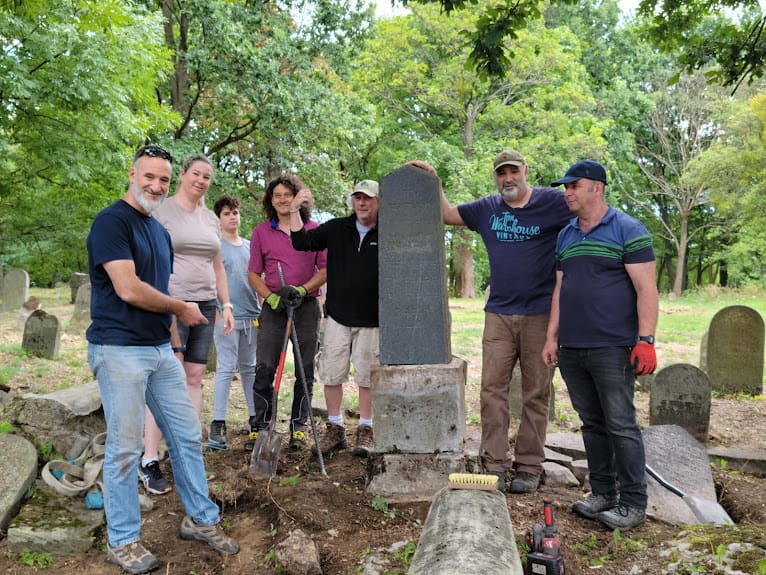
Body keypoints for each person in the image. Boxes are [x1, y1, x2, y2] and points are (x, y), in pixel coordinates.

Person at [86, 145, 239, 574]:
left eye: (163, 180)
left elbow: (160, 285)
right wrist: (179, 309)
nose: (156, 185)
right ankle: (123, 540)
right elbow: (130, 289)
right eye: (149, 176)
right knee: (125, 448)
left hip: (157, 350)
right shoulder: (111, 222)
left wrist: (171, 338)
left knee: (187, 437)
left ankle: (200, 518)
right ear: (132, 174)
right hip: (119, 350)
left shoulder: (156, 228)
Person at [410, 151, 571, 493]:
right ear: (496, 178)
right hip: (498, 313)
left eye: (514, 172)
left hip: (540, 314)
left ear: (526, 172)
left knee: (536, 391)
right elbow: (448, 214)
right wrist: (434, 180)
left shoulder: (553, 203)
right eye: (501, 174)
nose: (508, 178)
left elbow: (583, 216)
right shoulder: (487, 209)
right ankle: (494, 462)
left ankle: (529, 465)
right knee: (492, 390)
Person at [542, 159, 658, 531]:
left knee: (621, 424)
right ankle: (603, 492)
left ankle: (634, 502)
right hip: (573, 348)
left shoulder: (628, 230)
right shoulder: (566, 234)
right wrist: (551, 337)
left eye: (574, 186)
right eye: (566, 187)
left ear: (597, 187)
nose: (567, 193)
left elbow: (646, 289)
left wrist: (646, 341)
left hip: (613, 347)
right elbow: (561, 288)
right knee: (592, 424)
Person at [139, 153, 234, 494]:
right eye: (196, 174)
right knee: (168, 379)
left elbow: (218, 266)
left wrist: (226, 304)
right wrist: (166, 305)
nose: (201, 181)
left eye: (207, 177)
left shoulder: (211, 219)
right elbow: (149, 259)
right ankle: (149, 459)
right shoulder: (162, 211)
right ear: (182, 175)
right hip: (171, 304)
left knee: (194, 377)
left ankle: (188, 455)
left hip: (206, 303)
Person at [290, 180, 380, 457]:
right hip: (338, 316)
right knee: (331, 372)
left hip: (373, 318)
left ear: (378, 202)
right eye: (358, 198)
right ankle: (335, 428)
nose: (362, 203)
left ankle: (366, 428)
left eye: (368, 198)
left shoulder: (391, 232)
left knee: (366, 376)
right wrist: (295, 209)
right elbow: (301, 242)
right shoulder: (337, 228)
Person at [247, 174, 327, 451]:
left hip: (305, 307)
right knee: (265, 366)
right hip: (274, 308)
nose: (282, 199)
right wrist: (270, 298)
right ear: (271, 201)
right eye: (277, 195)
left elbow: (325, 270)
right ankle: (261, 425)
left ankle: (299, 426)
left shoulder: (314, 229)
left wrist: (303, 290)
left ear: (297, 199)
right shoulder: (261, 232)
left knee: (305, 369)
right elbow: (253, 273)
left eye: (287, 194)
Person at [207, 194, 261, 450]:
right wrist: (218, 312)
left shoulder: (250, 246)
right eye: (227, 213)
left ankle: (254, 419)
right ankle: (218, 424)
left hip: (252, 317)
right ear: (219, 218)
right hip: (226, 318)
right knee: (226, 369)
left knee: (250, 368)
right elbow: (210, 280)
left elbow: (257, 278)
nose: (232, 217)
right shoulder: (215, 246)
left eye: (235, 212)